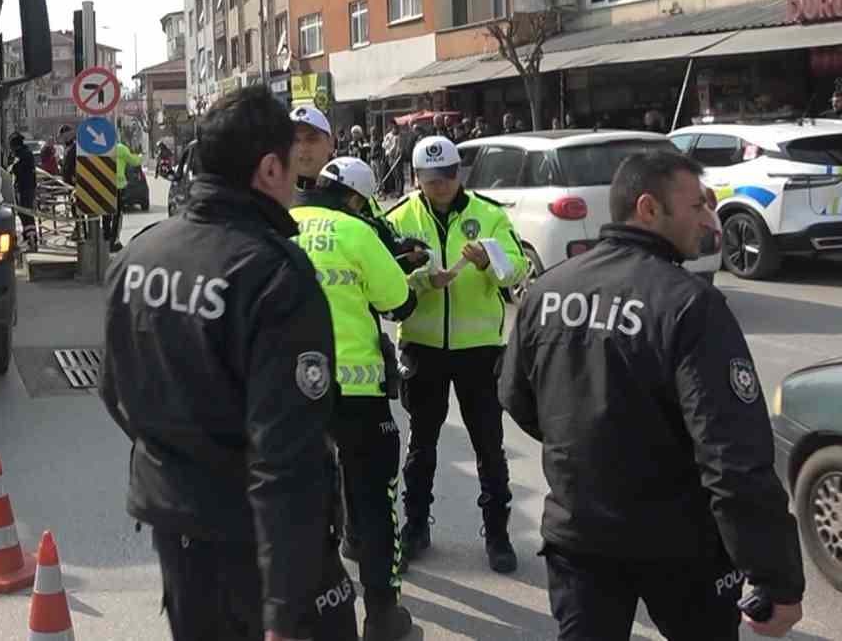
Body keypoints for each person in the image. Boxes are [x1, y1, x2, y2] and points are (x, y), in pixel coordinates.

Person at [501, 150, 805, 640]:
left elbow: (518, 399)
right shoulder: (689, 304)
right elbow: (733, 456)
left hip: (581, 535)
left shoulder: (547, 289)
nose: (709, 221)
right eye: (696, 208)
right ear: (648, 209)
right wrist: (775, 577)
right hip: (680, 545)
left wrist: (586, 444)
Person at [99, 86, 354, 641]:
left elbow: (113, 393)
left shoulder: (138, 257)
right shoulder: (273, 274)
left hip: (178, 533)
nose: (296, 181)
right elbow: (286, 455)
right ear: (268, 168)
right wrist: (284, 609)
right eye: (292, 164)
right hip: (260, 546)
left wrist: (181, 459)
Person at [384, 135, 529, 574]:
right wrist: (423, 279)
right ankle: (415, 527)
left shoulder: (488, 214)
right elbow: (386, 284)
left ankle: (498, 533)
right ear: (416, 178)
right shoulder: (399, 218)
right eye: (431, 179)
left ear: (459, 173)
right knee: (421, 445)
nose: (441, 185)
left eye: (448, 175)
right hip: (423, 347)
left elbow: (518, 272)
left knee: (489, 444)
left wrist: (489, 263)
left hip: (479, 350)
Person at [294, 156, 422, 640]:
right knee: (373, 504)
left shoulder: (278, 225)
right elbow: (399, 302)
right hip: (358, 395)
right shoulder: (354, 232)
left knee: (298, 502)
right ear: (353, 199)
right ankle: (383, 618)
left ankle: (307, 614)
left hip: (290, 394)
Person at [289, 104, 336, 195]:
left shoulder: (350, 197)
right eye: (295, 140)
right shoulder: (277, 198)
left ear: (330, 143)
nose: (302, 148)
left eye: (311, 139)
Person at [108, 133, 142, 251]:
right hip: (118, 187)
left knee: (106, 215)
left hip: (104, 187)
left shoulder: (101, 149)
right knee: (117, 215)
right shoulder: (121, 148)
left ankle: (105, 239)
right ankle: (114, 241)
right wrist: (141, 157)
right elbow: (134, 161)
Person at [8, 133, 38, 248]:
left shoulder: (21, 155)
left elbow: (15, 170)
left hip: (24, 188)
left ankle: (31, 238)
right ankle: (29, 235)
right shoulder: (26, 153)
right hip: (26, 187)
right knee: (24, 212)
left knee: (25, 213)